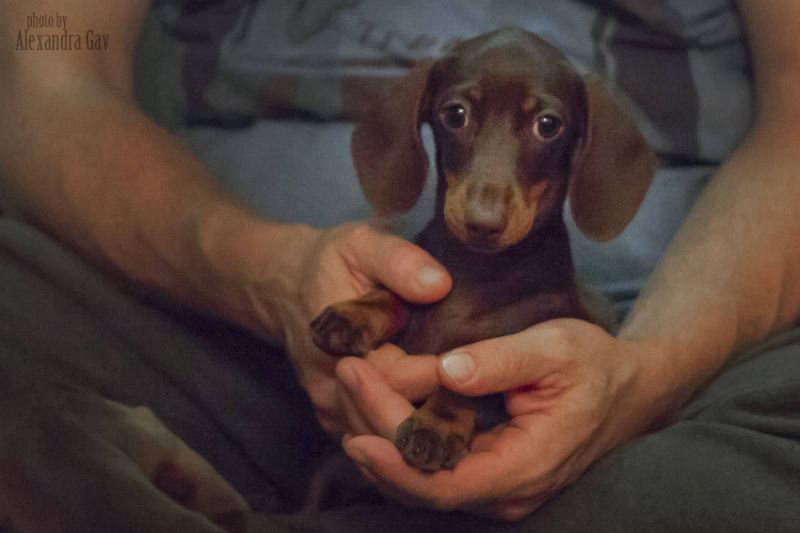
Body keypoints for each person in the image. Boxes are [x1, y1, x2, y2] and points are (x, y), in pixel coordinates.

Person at [0, 0, 798, 531]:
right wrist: (263, 273)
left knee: (733, 497)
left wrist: (646, 376)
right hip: (201, 318)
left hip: (667, 339)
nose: (485, 205)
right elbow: (47, 69)